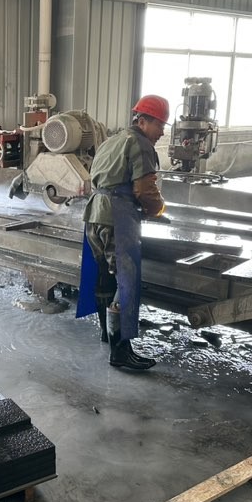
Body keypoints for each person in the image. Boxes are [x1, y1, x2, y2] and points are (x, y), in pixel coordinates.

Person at [77, 95, 169, 370]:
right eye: (160, 125)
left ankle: (107, 335)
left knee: (104, 276)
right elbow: (144, 189)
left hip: (94, 214)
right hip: (117, 216)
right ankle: (121, 352)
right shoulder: (140, 143)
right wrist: (158, 210)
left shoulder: (111, 141)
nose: (162, 132)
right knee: (126, 281)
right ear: (143, 121)